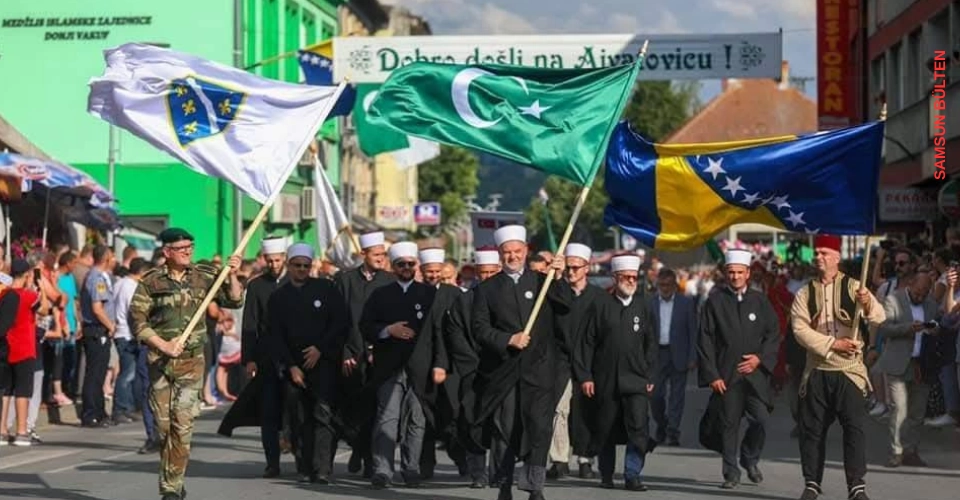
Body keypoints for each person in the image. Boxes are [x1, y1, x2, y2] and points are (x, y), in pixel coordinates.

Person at [129, 228, 244, 500]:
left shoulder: (203, 275)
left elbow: (235, 300)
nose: (187, 252)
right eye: (181, 249)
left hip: (192, 361)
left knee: (182, 426)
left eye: (190, 247)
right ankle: (173, 478)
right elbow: (138, 322)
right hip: (160, 362)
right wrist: (163, 345)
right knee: (164, 428)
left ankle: (171, 487)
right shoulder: (151, 282)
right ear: (167, 252)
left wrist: (232, 274)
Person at [471, 225, 570, 500]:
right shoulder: (487, 289)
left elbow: (565, 306)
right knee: (506, 430)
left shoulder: (542, 281)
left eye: (517, 251)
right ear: (500, 254)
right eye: (507, 252)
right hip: (504, 371)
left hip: (539, 369)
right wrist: (507, 339)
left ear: (526, 251)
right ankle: (504, 483)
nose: (512, 256)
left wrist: (558, 277)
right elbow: (479, 328)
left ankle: (534, 486)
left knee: (539, 428)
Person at [790, 235, 886, 500]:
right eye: (816, 253)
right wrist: (834, 343)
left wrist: (868, 302)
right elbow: (799, 330)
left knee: (854, 430)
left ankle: (856, 486)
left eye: (824, 253)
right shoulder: (805, 292)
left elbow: (879, 317)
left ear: (836, 257)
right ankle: (811, 483)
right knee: (812, 431)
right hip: (817, 370)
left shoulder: (855, 286)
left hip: (850, 371)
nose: (818, 257)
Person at [360, 241, 444, 489]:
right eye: (401, 264)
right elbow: (365, 326)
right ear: (393, 267)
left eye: (410, 263)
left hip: (421, 368)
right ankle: (383, 470)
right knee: (387, 418)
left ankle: (411, 468)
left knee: (417, 420)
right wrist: (388, 330)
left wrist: (439, 364)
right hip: (389, 367)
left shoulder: (429, 294)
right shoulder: (380, 294)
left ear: (416, 265)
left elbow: (439, 332)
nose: (406, 268)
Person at [697, 248, 780, 490]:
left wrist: (760, 359)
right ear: (726, 273)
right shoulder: (715, 301)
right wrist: (712, 375)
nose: (735, 276)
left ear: (748, 273)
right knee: (728, 425)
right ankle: (730, 472)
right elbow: (705, 340)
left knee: (761, 421)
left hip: (754, 376)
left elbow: (773, 334)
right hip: (727, 376)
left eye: (739, 272)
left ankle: (749, 458)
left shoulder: (760, 301)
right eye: (731, 272)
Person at [576, 254, 658, 491]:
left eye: (634, 277)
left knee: (639, 427)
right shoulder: (600, 305)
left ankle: (632, 475)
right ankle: (606, 474)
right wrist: (586, 376)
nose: (631, 281)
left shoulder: (643, 306)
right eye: (625, 277)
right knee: (606, 427)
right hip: (606, 379)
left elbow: (651, 344)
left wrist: (650, 375)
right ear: (615, 278)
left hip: (636, 379)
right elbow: (586, 343)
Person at [270, 243, 349, 484]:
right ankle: (304, 466)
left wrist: (320, 349)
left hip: (323, 364)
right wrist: (291, 366)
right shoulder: (279, 297)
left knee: (323, 415)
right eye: (297, 265)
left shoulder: (326, 289)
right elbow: (275, 335)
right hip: (293, 367)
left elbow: (340, 322)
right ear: (289, 266)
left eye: (306, 265)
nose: (302, 269)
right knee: (299, 418)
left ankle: (322, 468)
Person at [335, 231, 395, 477]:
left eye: (383, 254)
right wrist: (343, 352)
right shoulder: (345, 280)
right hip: (351, 356)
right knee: (350, 410)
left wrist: (376, 348)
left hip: (379, 356)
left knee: (374, 411)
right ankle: (357, 448)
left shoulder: (390, 281)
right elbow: (338, 320)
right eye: (376, 254)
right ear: (363, 254)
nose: (381, 258)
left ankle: (370, 459)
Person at [445, 249, 500, 488]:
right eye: (483, 272)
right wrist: (472, 366)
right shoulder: (464, 301)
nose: (487, 277)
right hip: (473, 371)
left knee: (501, 423)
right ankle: (478, 473)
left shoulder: (509, 298)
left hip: (502, 370)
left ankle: (499, 472)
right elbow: (456, 335)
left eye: (492, 272)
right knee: (472, 420)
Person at [548, 243, 602, 480]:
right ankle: (559, 459)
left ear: (586, 268)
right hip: (561, 360)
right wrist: (556, 276)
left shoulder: (598, 297)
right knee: (559, 409)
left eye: (575, 268)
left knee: (585, 410)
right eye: (568, 268)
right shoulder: (558, 292)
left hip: (589, 362)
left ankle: (585, 458)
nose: (571, 272)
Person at [877, 272, 938, 469]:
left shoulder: (930, 304)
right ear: (911, 284)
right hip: (898, 363)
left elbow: (938, 323)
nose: (920, 297)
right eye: (918, 292)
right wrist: (909, 328)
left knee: (917, 412)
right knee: (899, 408)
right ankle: (896, 452)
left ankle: (911, 451)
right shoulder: (893, 300)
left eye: (924, 293)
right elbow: (885, 328)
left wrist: (934, 328)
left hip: (921, 364)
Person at [240, 236, 287, 478]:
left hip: (296, 359)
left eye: (278, 260)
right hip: (267, 358)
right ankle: (272, 462)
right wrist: (249, 358)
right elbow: (250, 324)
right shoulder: (256, 286)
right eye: (270, 260)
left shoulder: (297, 281)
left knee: (296, 411)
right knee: (268, 412)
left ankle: (302, 456)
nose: (274, 264)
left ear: (284, 258)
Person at [649, 268, 698, 446]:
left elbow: (693, 331)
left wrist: (693, 357)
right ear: (657, 285)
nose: (665, 288)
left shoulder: (686, 303)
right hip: (657, 355)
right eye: (662, 285)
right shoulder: (650, 303)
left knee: (677, 396)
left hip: (679, 354)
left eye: (668, 285)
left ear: (675, 285)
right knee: (655, 395)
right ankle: (662, 423)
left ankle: (673, 431)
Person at [79, 245, 116, 427]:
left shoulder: (100, 277)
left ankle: (100, 412)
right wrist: (111, 325)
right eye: (112, 256)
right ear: (106, 258)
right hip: (96, 330)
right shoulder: (96, 278)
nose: (114, 260)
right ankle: (90, 413)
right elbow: (97, 308)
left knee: (99, 374)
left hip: (99, 330)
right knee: (94, 374)